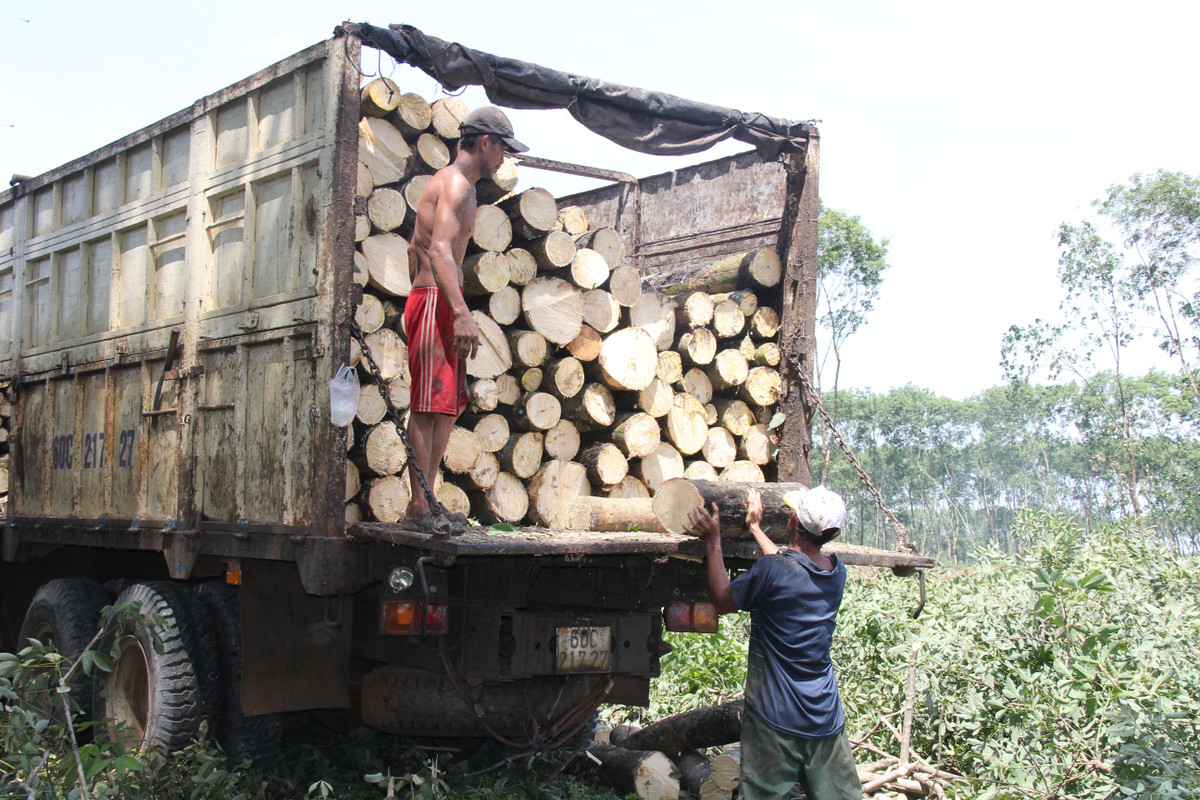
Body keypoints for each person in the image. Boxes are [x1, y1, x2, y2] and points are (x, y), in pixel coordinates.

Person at [684, 487, 862, 800]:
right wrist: (755, 528)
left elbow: (723, 600)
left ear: (792, 521)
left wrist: (713, 540)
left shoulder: (772, 571)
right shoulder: (836, 572)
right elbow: (788, 565)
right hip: (824, 716)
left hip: (773, 717)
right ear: (834, 534)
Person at [403, 107, 528, 530]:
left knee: (446, 408)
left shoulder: (466, 189)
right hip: (435, 302)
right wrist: (453, 309)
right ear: (485, 141)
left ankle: (427, 501)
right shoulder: (455, 183)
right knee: (427, 407)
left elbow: (415, 249)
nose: (504, 158)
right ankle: (418, 507)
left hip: (441, 300)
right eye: (503, 149)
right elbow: (437, 250)